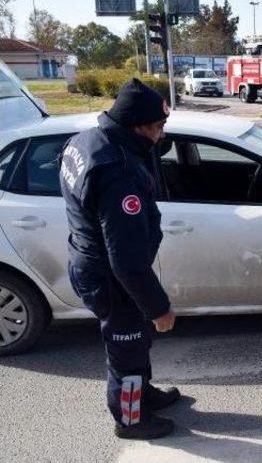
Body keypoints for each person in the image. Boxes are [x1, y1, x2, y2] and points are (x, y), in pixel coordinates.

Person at [60, 78, 180, 440]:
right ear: (137, 126)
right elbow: (126, 262)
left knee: (136, 340)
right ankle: (131, 419)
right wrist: (159, 308)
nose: (161, 136)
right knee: (127, 349)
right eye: (158, 128)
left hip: (92, 265)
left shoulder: (85, 141)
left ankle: (143, 395)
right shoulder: (119, 174)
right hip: (112, 279)